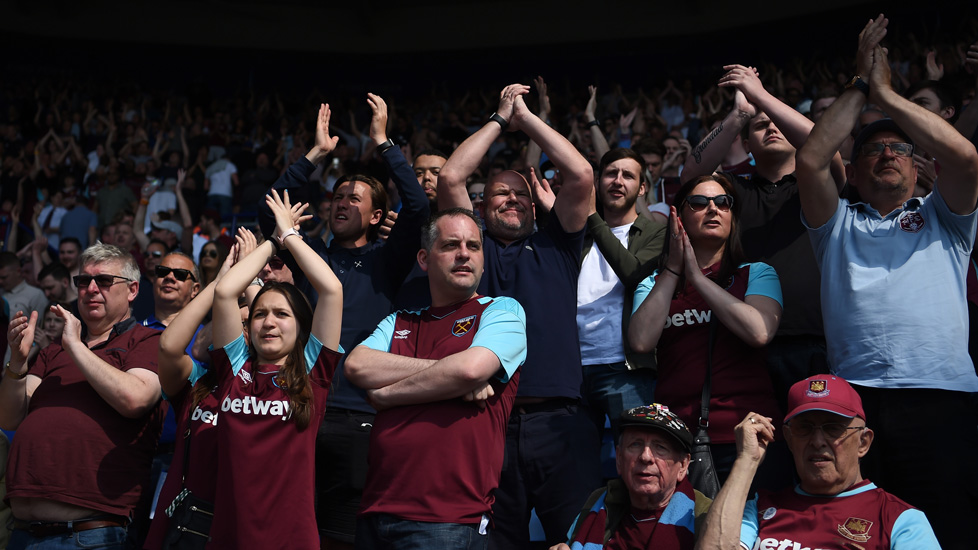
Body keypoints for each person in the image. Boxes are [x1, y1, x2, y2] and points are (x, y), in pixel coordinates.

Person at [793, 15, 978, 549]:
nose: (888, 153)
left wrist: (888, 94)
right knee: (859, 534)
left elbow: (964, 155)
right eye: (873, 149)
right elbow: (810, 160)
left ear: (920, 167)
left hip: (942, 398)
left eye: (898, 148)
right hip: (857, 404)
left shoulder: (947, 216)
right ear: (852, 172)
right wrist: (860, 84)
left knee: (950, 529)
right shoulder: (837, 225)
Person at [258, 96, 428, 549]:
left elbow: (417, 207)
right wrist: (314, 155)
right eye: (337, 197)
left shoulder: (387, 261)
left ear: (376, 216)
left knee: (344, 535)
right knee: (288, 525)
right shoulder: (310, 257)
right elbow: (269, 214)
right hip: (299, 406)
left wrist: (383, 143)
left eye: (354, 199)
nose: (340, 204)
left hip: (359, 415)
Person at [437, 83, 601, 549]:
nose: (511, 200)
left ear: (534, 205)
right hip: (485, 418)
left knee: (577, 540)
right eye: (498, 195)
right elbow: (451, 178)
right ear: (481, 209)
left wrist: (525, 117)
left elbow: (582, 174)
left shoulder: (558, 243)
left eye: (520, 195)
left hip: (560, 419)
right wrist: (499, 116)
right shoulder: (471, 250)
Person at [345, 208, 527, 548]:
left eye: (473, 246)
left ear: (483, 261)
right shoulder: (399, 321)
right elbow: (356, 365)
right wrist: (449, 377)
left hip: (448, 519)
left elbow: (470, 370)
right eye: (451, 245)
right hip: (376, 510)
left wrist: (388, 395)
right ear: (424, 258)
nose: (464, 254)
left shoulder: (503, 311)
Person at [680, 63, 846, 413]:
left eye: (776, 122)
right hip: (747, 340)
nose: (770, 126)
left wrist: (762, 98)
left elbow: (827, 149)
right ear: (746, 143)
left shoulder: (815, 186)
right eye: (759, 126)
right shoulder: (733, 192)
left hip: (821, 339)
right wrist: (741, 112)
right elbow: (693, 173)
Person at [0, 242, 165, 550]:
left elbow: (135, 399)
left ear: (132, 290)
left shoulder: (146, 340)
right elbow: (9, 416)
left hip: (90, 535)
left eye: (103, 281)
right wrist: (18, 363)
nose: (90, 289)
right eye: (82, 281)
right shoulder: (51, 353)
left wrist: (76, 345)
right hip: (23, 532)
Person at [629, 175, 788, 487]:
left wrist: (700, 281)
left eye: (723, 203)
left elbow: (760, 331)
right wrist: (675, 272)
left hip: (750, 435)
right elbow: (641, 341)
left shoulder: (756, 273)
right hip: (677, 440)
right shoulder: (653, 283)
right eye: (699, 203)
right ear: (680, 217)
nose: (713, 209)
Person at [208, 189, 343, 549]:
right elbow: (224, 294)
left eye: (282, 314)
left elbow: (331, 290)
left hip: (291, 538)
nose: (268, 322)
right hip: (230, 536)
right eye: (260, 314)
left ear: (300, 326)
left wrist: (289, 236)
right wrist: (270, 242)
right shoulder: (235, 367)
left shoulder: (314, 372)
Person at [695, 376, 940, 550]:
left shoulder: (899, 518)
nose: (818, 441)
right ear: (789, 440)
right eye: (805, 428)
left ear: (863, 442)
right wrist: (746, 460)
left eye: (833, 429)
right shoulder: (760, 509)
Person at [537, 148, 665, 437]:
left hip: (625, 370)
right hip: (571, 369)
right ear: (598, 182)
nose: (618, 181)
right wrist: (560, 217)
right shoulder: (578, 234)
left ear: (642, 187)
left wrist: (591, 215)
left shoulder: (656, 233)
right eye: (611, 173)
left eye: (628, 175)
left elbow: (632, 272)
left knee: (637, 457)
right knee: (574, 467)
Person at [143, 229, 240, 550]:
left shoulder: (207, 337)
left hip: (182, 461)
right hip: (136, 456)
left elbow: (188, 348)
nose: (169, 277)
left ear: (197, 288)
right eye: (162, 271)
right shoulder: (130, 330)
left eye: (180, 274)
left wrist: (230, 282)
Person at [553, 404, 712, 550]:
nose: (645, 457)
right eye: (635, 444)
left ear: (683, 466)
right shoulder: (598, 503)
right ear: (619, 459)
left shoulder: (707, 516)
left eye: (660, 447)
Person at [0, 252, 49, 319]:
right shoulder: (1, 291)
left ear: (18, 271)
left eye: (4, 277)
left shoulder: (35, 295)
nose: (0, 281)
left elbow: (40, 325)